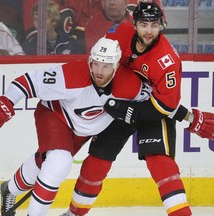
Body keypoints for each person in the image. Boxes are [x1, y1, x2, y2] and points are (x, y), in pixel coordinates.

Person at [60, 2, 214, 216]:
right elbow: (100, 65)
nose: (148, 31)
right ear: (135, 24)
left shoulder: (166, 60)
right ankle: (74, 213)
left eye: (153, 25)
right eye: (143, 25)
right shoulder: (119, 34)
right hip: (120, 102)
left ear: (161, 26)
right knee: (97, 160)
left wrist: (131, 111)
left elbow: (165, 106)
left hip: (153, 110)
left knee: (160, 162)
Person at [0, 37, 153, 216]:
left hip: (84, 127)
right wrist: (4, 103)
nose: (99, 71)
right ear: (90, 61)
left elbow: (153, 99)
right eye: (96, 64)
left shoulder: (131, 85)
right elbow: (28, 81)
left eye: (106, 65)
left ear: (116, 66)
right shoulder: (72, 74)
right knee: (59, 162)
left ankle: (9, 189)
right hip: (55, 115)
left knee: (44, 162)